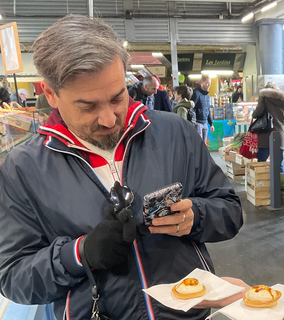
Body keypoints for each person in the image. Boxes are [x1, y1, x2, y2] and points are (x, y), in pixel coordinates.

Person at [0, 14, 243, 320]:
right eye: (87, 106)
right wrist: (79, 254)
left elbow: (230, 210)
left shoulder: (175, 133)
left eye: (118, 97)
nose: (109, 119)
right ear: (50, 93)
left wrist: (194, 216)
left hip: (191, 312)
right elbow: (13, 278)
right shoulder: (23, 169)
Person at [251, 82, 284, 173]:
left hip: (266, 135)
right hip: (280, 135)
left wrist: (253, 113)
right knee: (279, 164)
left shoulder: (264, 98)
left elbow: (257, 113)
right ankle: (281, 185)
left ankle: (262, 185)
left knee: (261, 164)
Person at [192, 75, 214, 143]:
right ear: (202, 82)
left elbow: (208, 109)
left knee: (203, 144)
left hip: (205, 123)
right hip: (198, 123)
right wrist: (193, 121)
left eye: (209, 84)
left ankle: (202, 154)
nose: (208, 85)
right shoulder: (196, 93)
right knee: (199, 144)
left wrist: (211, 123)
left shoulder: (207, 95)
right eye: (207, 83)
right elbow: (192, 108)